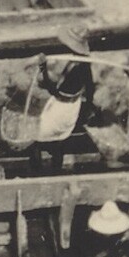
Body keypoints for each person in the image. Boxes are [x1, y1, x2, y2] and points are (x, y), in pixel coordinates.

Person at [29, 33, 95, 174]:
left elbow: (53, 90)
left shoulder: (77, 68)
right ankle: (55, 170)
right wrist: (88, 104)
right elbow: (90, 88)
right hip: (71, 106)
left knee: (37, 137)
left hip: (62, 107)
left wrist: (43, 68)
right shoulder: (82, 64)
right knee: (59, 140)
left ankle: (38, 171)